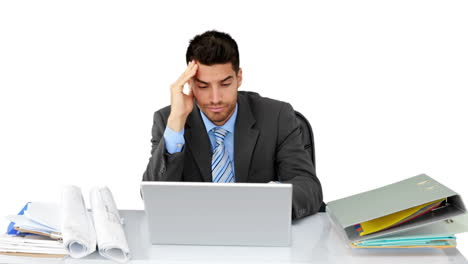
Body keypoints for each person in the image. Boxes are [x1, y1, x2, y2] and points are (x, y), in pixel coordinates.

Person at [142, 30, 323, 219]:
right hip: (195, 235)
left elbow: (309, 188)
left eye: (225, 84)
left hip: (260, 229)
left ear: (239, 78)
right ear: (190, 84)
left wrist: (269, 199)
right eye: (203, 86)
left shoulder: (276, 116)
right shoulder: (169, 120)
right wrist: (176, 123)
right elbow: (153, 199)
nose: (215, 98)